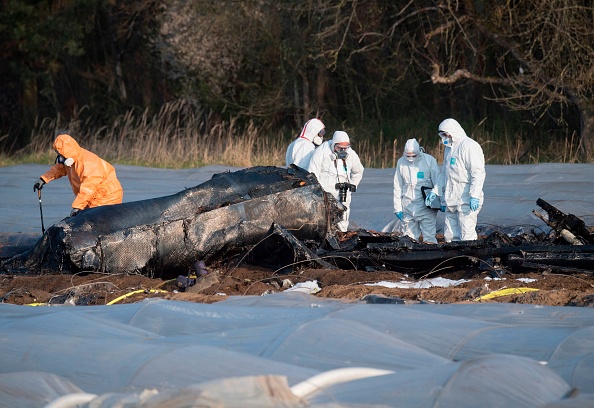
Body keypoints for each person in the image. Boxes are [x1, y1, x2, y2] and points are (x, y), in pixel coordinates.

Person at [33, 133, 124, 217]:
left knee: (99, 223)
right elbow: (59, 169)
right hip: (91, 198)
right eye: (58, 154)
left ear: (68, 152)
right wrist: (44, 179)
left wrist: (77, 207)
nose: (60, 158)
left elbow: (89, 187)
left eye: (60, 155)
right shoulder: (69, 161)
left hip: (107, 198)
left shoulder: (88, 162)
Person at [425, 118, 486, 242]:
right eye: (442, 135)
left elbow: (478, 173)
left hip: (466, 198)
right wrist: (435, 191)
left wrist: (474, 196)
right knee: (450, 235)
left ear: (453, 132)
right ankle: (453, 259)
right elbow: (444, 173)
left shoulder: (469, 146)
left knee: (467, 234)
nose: (443, 138)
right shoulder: (449, 149)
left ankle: (469, 259)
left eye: (445, 135)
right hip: (451, 199)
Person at [307, 130, 364, 232]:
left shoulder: (351, 154)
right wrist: (317, 191)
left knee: (343, 215)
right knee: (323, 216)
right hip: (325, 191)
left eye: (345, 148)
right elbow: (312, 172)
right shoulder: (322, 151)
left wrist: (352, 185)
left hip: (343, 191)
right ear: (333, 145)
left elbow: (358, 171)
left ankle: (341, 235)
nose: (342, 151)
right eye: (339, 148)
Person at [393, 138, 440, 243]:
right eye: (408, 156)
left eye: (413, 156)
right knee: (409, 239)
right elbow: (397, 186)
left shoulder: (429, 160)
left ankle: (431, 257)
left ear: (419, 151)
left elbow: (438, 181)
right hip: (408, 207)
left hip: (425, 206)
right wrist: (397, 207)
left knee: (429, 237)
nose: (410, 158)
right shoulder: (401, 163)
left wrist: (436, 194)